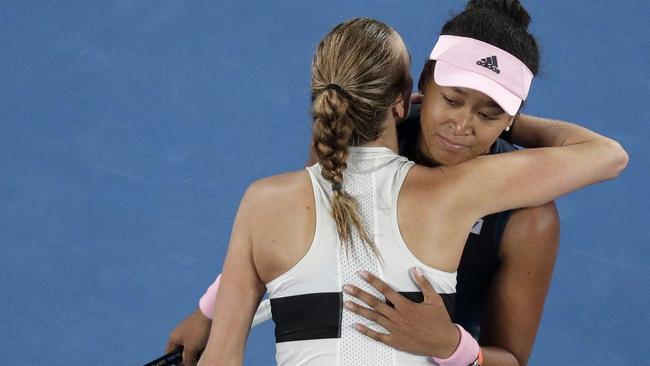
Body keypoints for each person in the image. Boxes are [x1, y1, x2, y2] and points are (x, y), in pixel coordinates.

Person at [167, 2, 625, 365]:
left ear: (513, 115)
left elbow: (510, 358)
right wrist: (214, 308)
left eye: (489, 113)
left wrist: (452, 347)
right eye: (451, 100)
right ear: (421, 85)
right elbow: (297, 224)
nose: (462, 126)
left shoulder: (526, 213)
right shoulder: (368, 132)